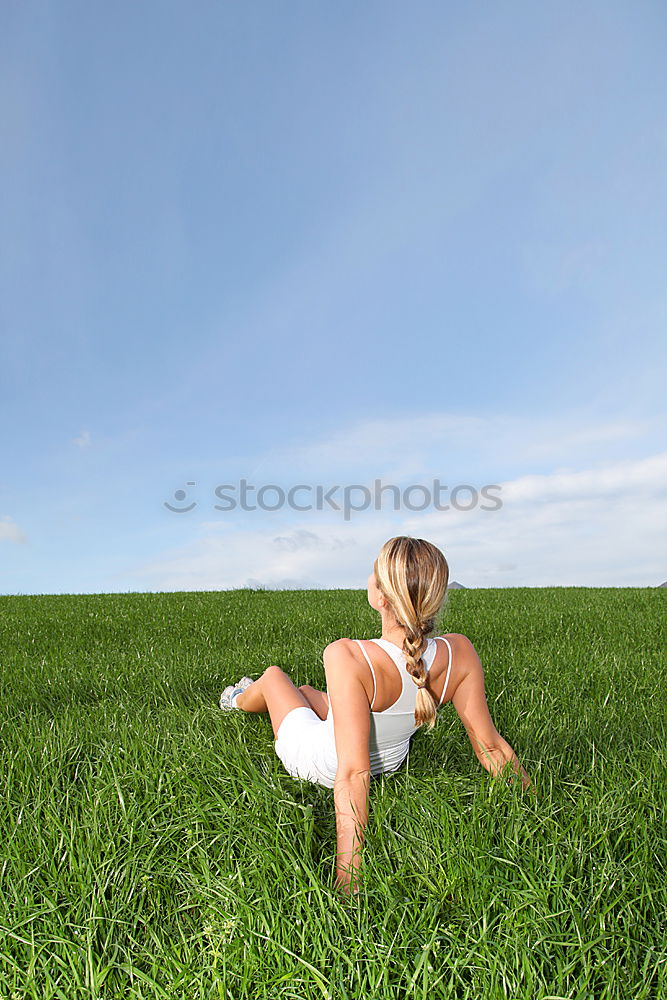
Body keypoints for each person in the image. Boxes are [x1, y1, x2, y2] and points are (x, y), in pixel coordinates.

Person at [220, 535, 532, 896]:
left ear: (381, 597)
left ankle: (238, 698)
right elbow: (491, 747)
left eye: (373, 572)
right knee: (306, 695)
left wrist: (349, 879)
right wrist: (533, 802)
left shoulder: (349, 656)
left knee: (275, 677)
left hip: (324, 762)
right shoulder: (459, 651)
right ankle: (293, 699)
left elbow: (352, 773)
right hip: (391, 759)